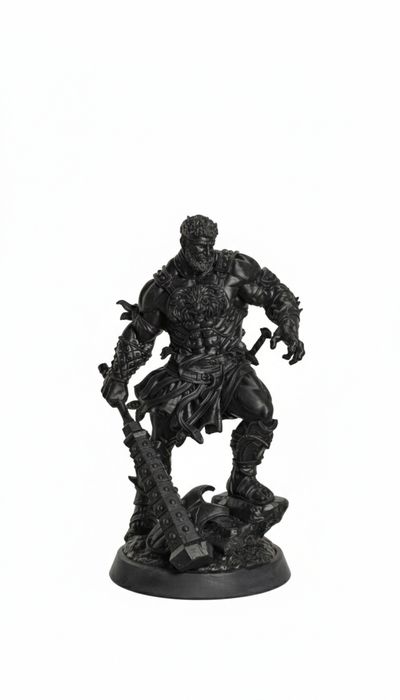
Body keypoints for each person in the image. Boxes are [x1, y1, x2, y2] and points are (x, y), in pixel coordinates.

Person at [102, 215, 305, 540]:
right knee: (159, 440)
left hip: (230, 366)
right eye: (198, 247)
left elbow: (276, 294)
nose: (205, 252)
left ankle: (243, 479)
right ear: (184, 243)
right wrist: (118, 376)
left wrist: (289, 326)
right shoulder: (161, 288)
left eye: (209, 246)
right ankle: (146, 506)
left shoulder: (235, 269)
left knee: (261, 410)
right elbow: (140, 336)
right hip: (185, 372)